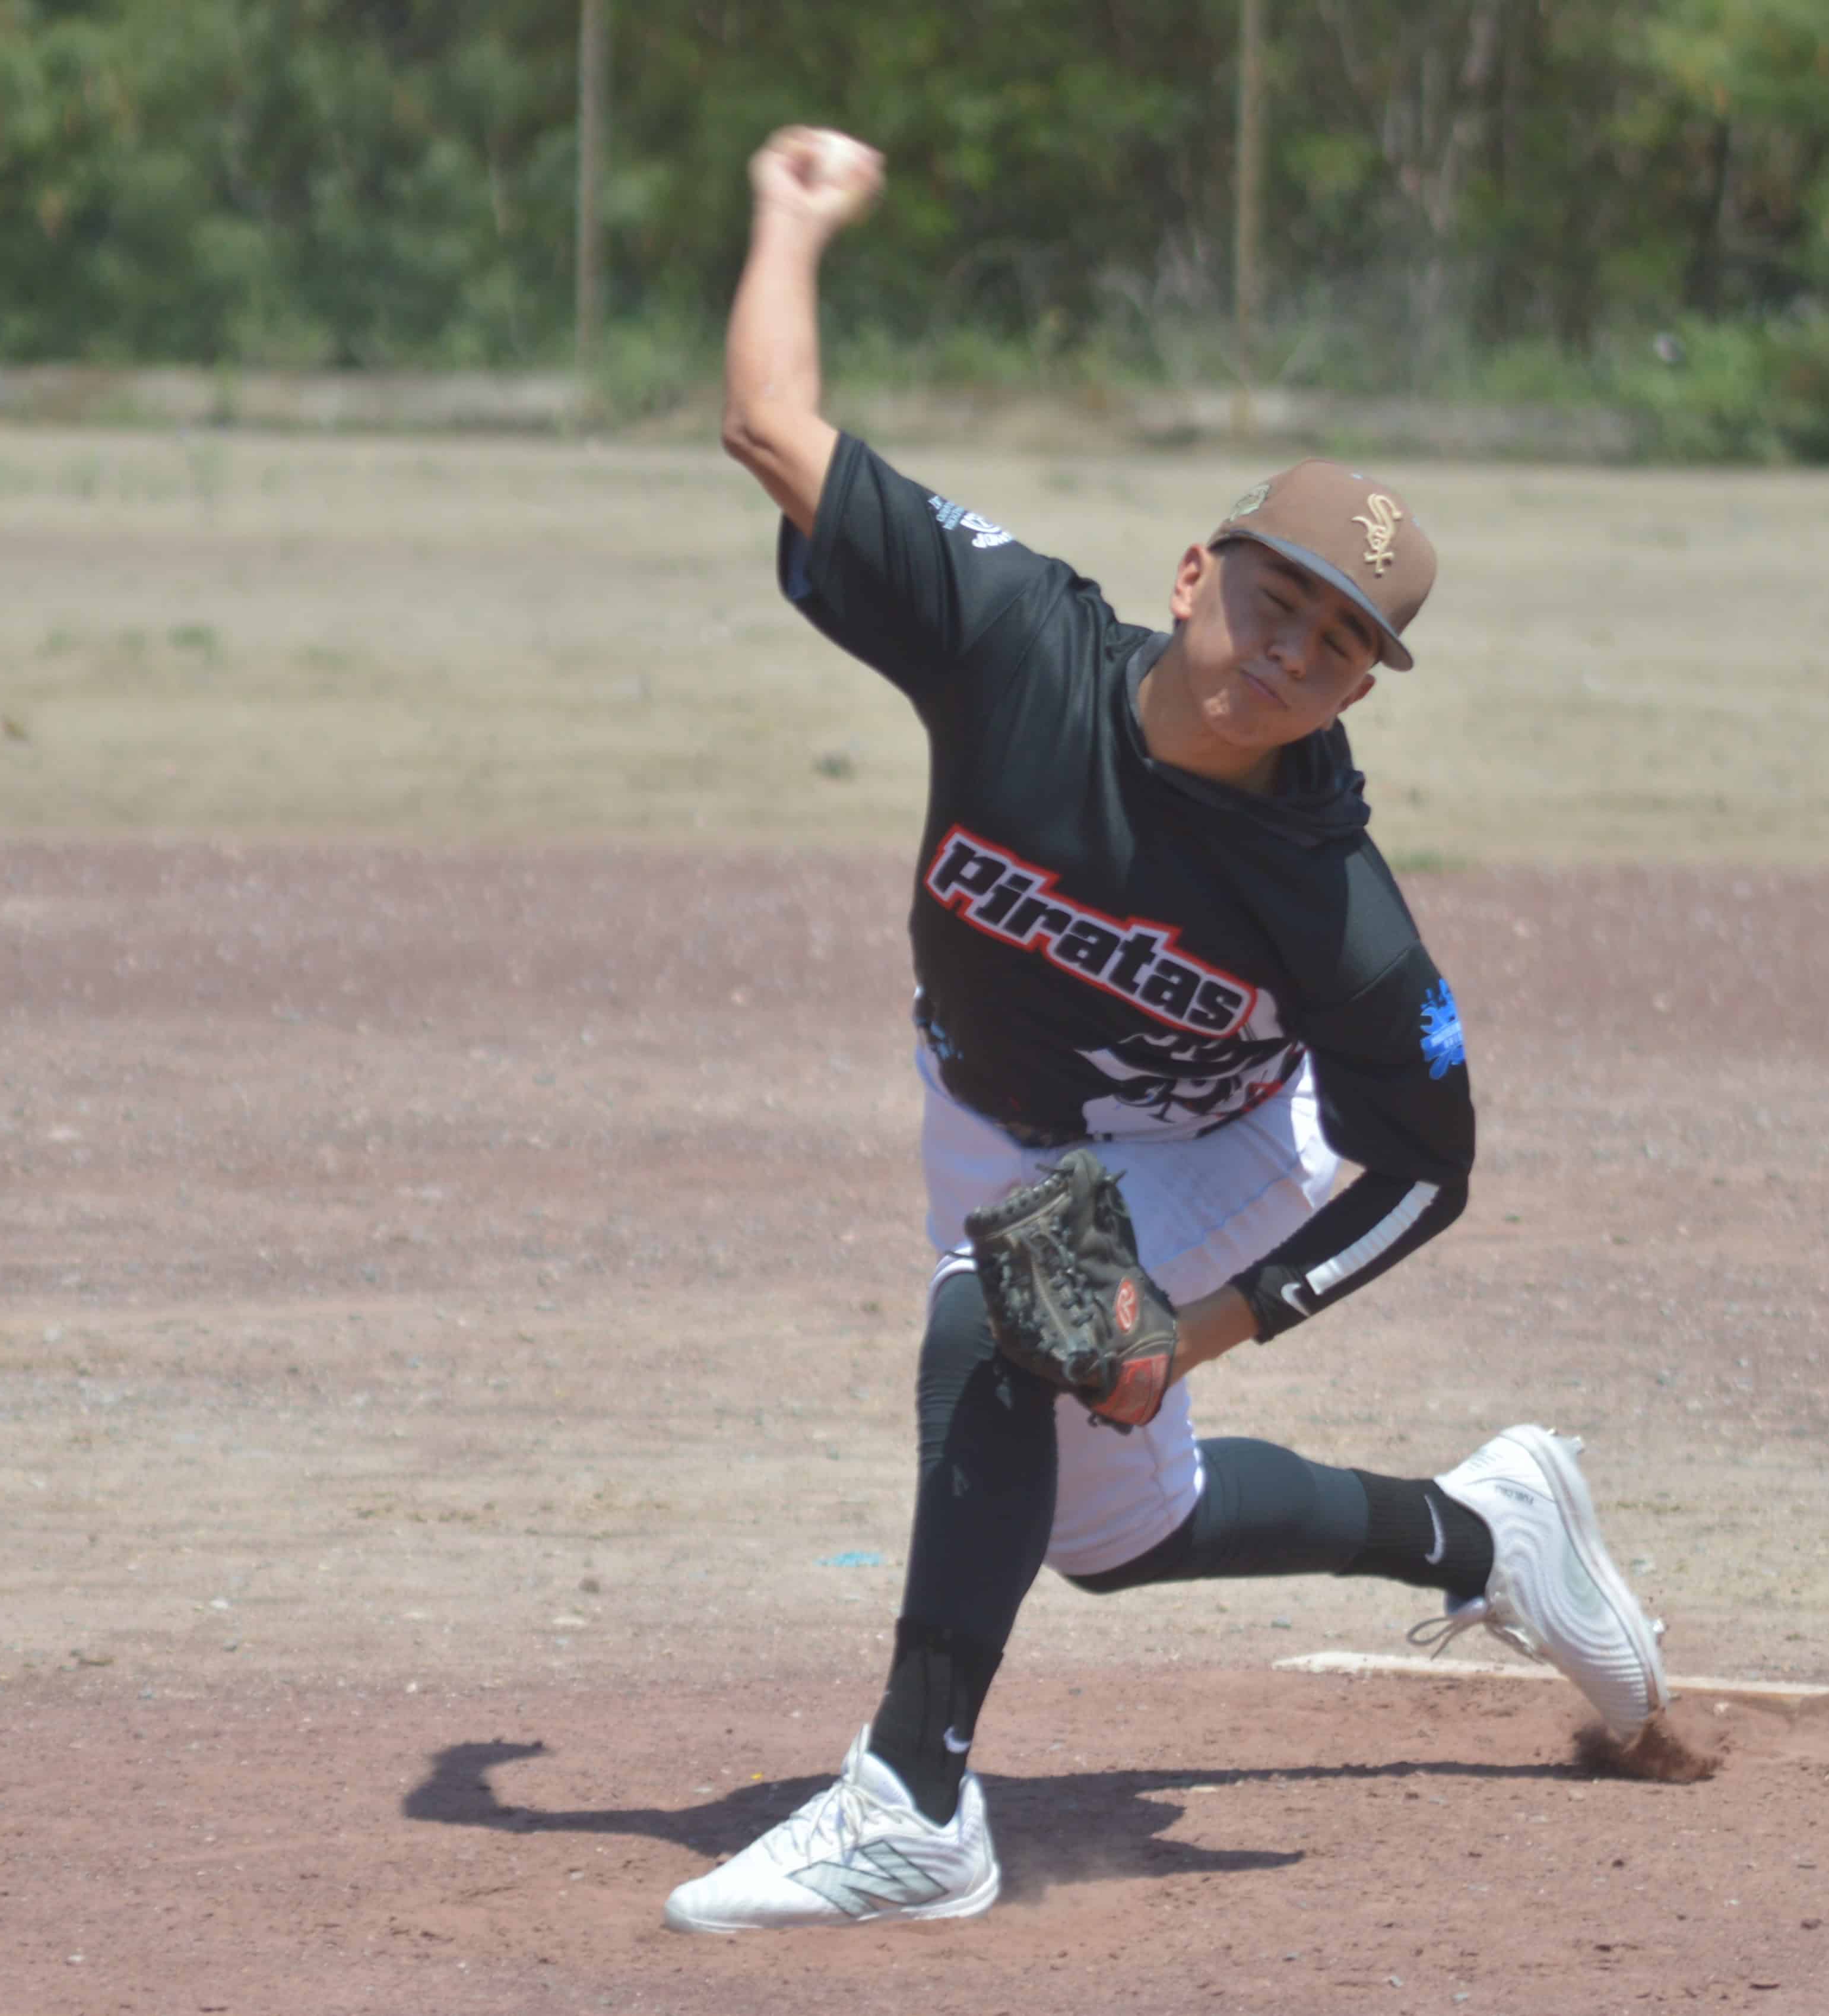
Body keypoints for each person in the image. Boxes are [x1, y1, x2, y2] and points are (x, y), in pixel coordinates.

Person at [664, 125, 1668, 1936]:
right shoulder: (1014, 641)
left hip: (1221, 1147)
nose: (1291, 653)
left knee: (1002, 1315)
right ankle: (1488, 1531)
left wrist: (1200, 1330)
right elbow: (767, 428)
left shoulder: (1329, 900)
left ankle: (911, 1801)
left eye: (1341, 644)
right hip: (995, 1117)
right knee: (1111, 1531)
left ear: (1363, 686)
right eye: (1277, 597)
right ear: (1194, 571)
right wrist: (789, 216)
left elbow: (1425, 1168)